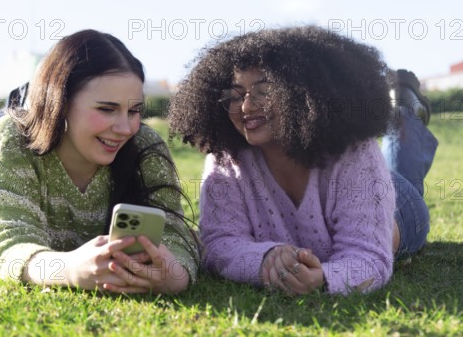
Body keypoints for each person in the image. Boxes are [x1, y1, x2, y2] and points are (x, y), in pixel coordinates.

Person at [168, 26, 437, 295]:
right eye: (236, 95)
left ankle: (405, 112)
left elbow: (369, 257)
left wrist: (324, 279)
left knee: (404, 171)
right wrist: (266, 260)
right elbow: (219, 243)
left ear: (303, 93)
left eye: (263, 91)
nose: (247, 107)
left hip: (400, 207)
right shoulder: (226, 160)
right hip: (369, 179)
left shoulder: (356, 153)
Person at [0, 29, 199, 294]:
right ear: (60, 103)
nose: (125, 127)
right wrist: (69, 269)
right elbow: (4, 243)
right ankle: (24, 102)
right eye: (107, 109)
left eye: (134, 111)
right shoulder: (8, 141)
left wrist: (175, 277)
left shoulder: (145, 144)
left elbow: (176, 235)